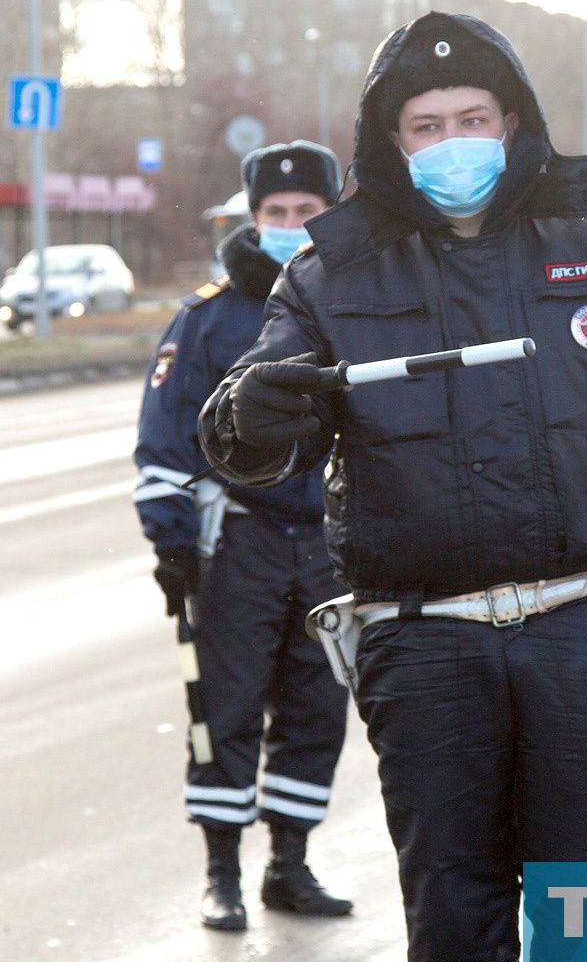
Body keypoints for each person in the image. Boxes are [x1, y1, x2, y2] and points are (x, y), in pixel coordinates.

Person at [196, 13, 587, 962]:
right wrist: (247, 415)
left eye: (470, 116)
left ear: (512, 123)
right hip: (423, 656)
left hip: (581, 644)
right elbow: (261, 439)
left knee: (582, 924)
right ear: (391, 143)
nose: (451, 142)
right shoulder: (328, 280)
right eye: (426, 125)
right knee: (455, 926)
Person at [133, 140, 353, 931]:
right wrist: (171, 542)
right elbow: (163, 440)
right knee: (221, 710)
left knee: (317, 707)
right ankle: (221, 873)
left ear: (333, 211)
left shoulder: (362, 303)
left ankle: (288, 867)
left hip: (334, 546)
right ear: (252, 219)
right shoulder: (209, 317)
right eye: (276, 215)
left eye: (307, 212)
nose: (291, 225)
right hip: (240, 544)